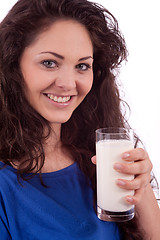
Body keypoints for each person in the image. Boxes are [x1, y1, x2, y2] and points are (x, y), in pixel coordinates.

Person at [0, 0, 159, 239]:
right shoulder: (5, 184)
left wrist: (141, 187)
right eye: (49, 63)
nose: (68, 84)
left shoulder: (97, 157)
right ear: (12, 64)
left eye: (82, 65)